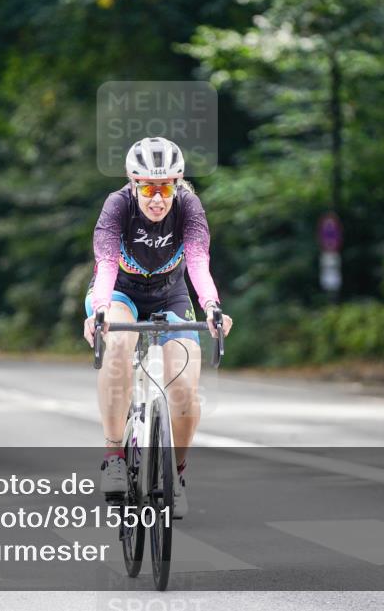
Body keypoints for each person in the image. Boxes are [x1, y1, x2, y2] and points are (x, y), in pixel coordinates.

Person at [83, 136, 233, 518]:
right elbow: (106, 263)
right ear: (133, 184)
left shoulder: (189, 207)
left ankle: (175, 474)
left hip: (171, 295)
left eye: (165, 187)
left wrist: (212, 306)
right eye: (148, 188)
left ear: (177, 185)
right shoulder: (117, 206)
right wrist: (100, 311)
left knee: (185, 389)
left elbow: (198, 261)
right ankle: (114, 457)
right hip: (120, 294)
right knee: (119, 346)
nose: (157, 198)